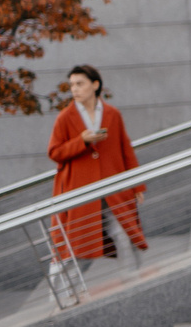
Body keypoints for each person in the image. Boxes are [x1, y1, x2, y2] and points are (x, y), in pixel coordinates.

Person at [48, 64, 145, 265]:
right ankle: (61, 294)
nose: (74, 89)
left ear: (95, 85)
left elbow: (126, 150)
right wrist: (81, 141)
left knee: (122, 233)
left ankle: (132, 280)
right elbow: (54, 152)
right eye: (71, 85)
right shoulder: (65, 118)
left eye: (79, 84)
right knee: (72, 248)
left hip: (112, 187)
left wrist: (137, 185)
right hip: (80, 190)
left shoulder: (112, 114)